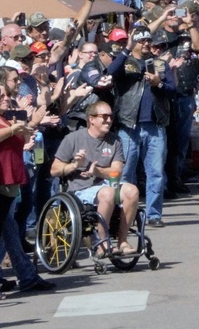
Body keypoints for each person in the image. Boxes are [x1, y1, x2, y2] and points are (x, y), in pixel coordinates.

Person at [51, 102, 139, 254]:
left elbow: (117, 171)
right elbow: (54, 170)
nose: (109, 120)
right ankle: (102, 243)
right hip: (80, 189)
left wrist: (96, 171)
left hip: (106, 185)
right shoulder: (73, 139)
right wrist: (75, 165)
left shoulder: (115, 140)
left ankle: (122, 241)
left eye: (111, 116)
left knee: (132, 191)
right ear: (91, 119)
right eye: (104, 117)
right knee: (108, 193)